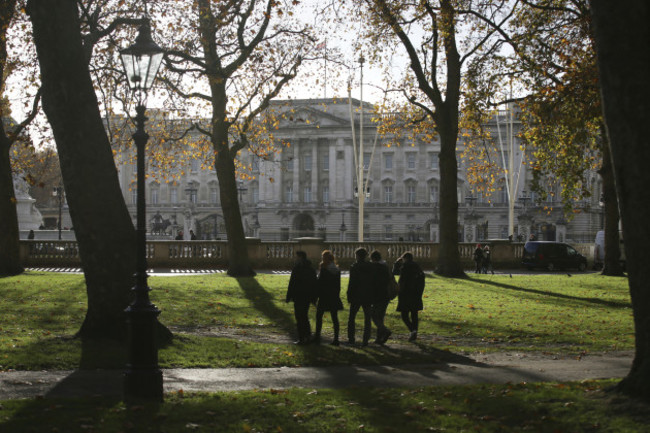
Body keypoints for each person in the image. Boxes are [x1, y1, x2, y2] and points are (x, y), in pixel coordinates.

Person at [286, 251, 318, 345]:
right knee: (304, 316)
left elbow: (292, 283)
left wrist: (289, 296)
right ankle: (307, 336)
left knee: (299, 317)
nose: (295, 258)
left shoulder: (297, 268)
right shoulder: (310, 269)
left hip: (298, 296)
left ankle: (301, 338)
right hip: (307, 296)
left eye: (296, 257)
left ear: (300, 257)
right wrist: (313, 298)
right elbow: (314, 284)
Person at [313, 250, 344, 345]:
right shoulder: (337, 270)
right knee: (334, 317)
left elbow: (320, 284)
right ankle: (336, 339)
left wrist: (316, 296)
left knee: (319, 316)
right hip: (334, 296)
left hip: (324, 296)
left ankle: (317, 336)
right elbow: (338, 285)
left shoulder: (324, 269)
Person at [347, 247, 374, 346]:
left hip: (356, 295)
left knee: (352, 318)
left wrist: (349, 295)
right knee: (367, 319)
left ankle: (351, 338)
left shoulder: (354, 267)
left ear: (357, 256)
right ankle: (365, 339)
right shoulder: (371, 266)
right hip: (367, 295)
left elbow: (352, 283)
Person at [395, 252, 425, 342]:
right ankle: (414, 332)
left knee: (404, 315)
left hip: (406, 294)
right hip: (416, 294)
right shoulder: (418, 268)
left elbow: (395, 273)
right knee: (414, 314)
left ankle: (413, 330)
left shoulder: (405, 267)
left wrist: (397, 263)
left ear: (405, 259)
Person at [369, 250, 393, 345]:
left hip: (376, 295)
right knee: (380, 316)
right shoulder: (385, 267)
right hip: (385, 294)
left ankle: (385, 331)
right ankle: (379, 338)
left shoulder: (373, 267)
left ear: (372, 258)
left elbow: (372, 282)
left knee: (374, 316)